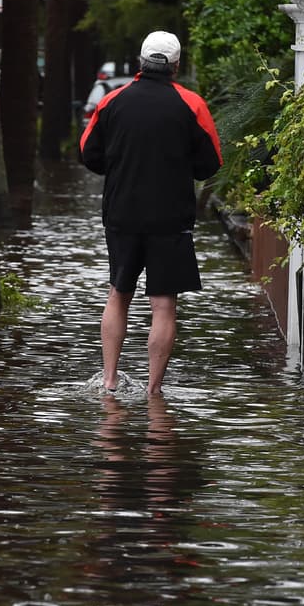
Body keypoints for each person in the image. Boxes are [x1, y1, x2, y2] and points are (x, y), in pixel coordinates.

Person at [79, 30, 222, 396]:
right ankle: (153, 391)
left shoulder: (112, 101)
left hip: (121, 214)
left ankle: (109, 380)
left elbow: (87, 152)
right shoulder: (192, 105)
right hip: (170, 217)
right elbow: (211, 163)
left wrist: (120, 168)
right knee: (163, 304)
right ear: (175, 64)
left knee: (118, 292)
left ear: (142, 61)